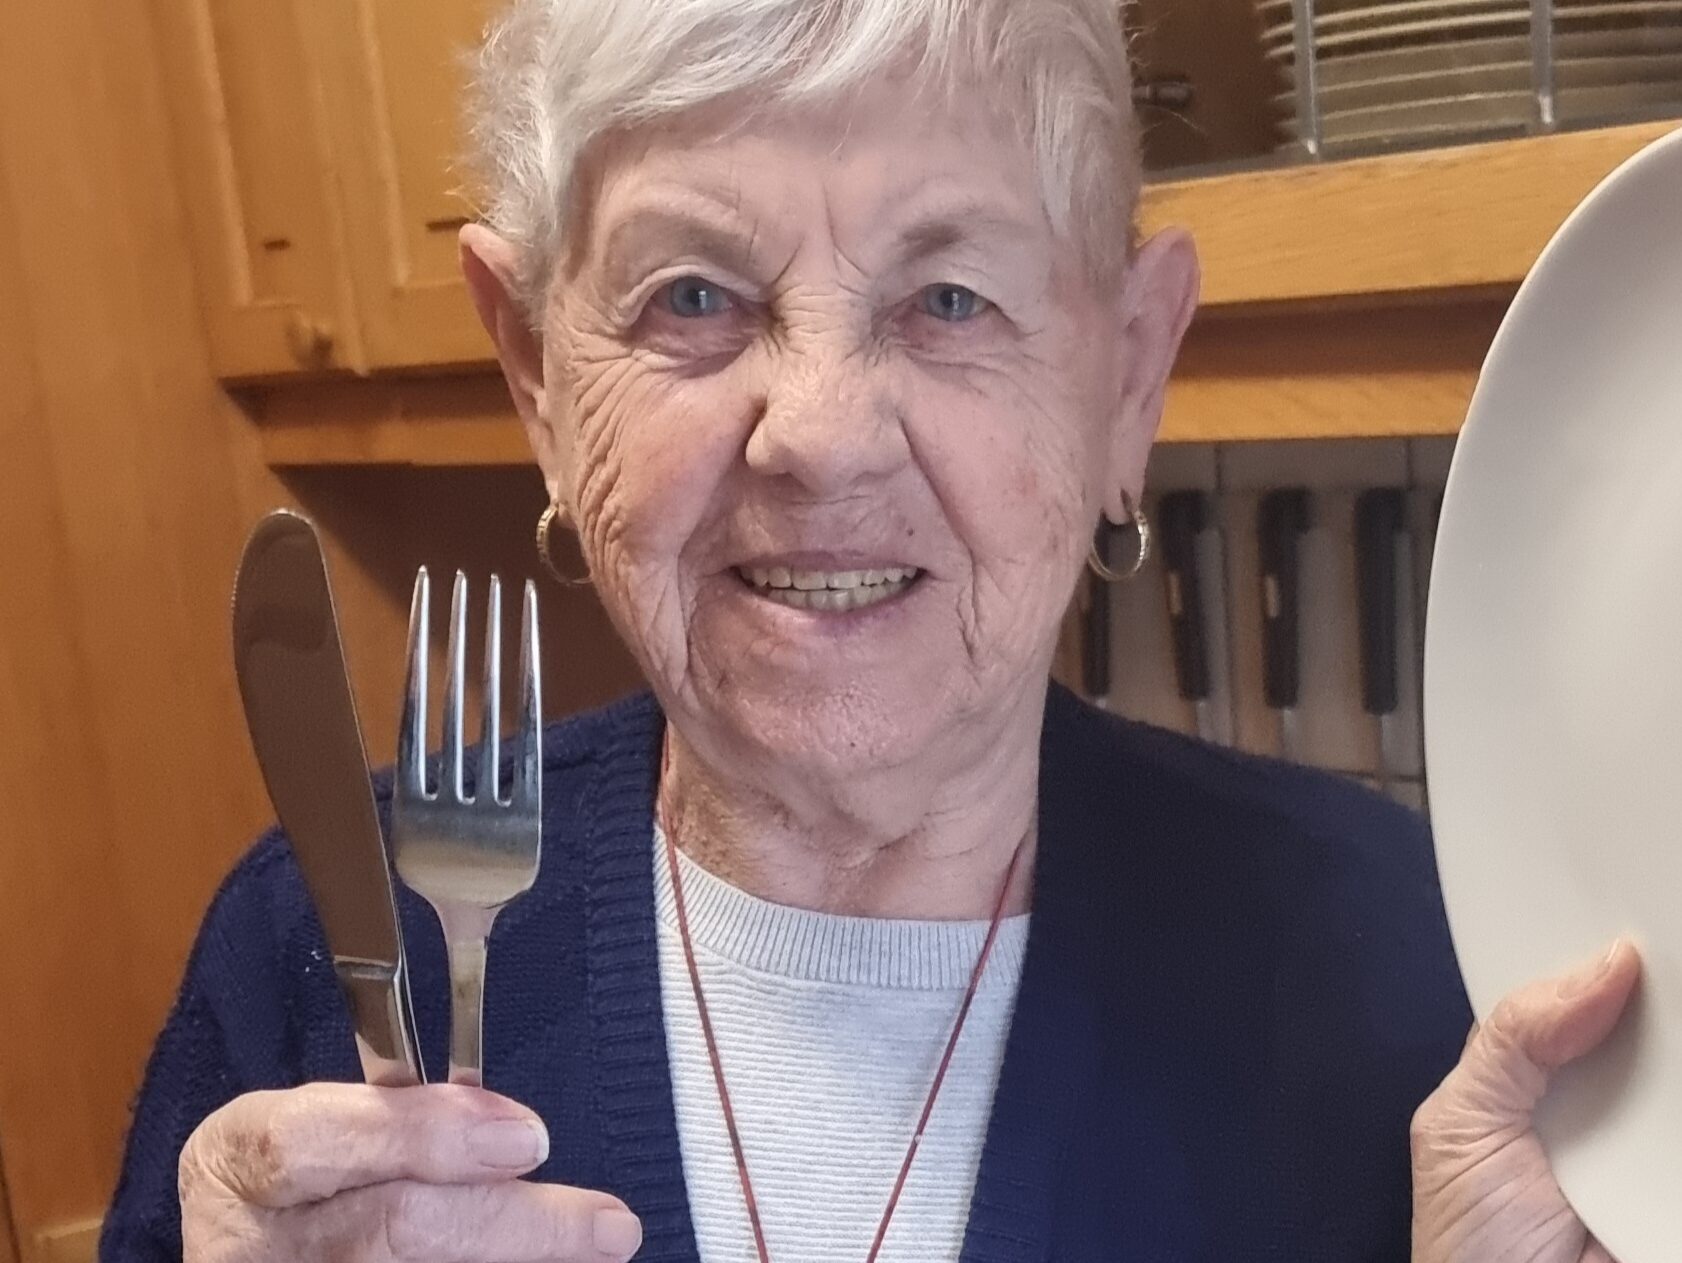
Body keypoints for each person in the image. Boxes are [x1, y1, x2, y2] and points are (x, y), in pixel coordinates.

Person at [101, 1, 1643, 1259]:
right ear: (534, 374)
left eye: (949, 299)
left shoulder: (1407, 960)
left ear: (1127, 372)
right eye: (691, 296)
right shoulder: (327, 934)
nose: (821, 437)